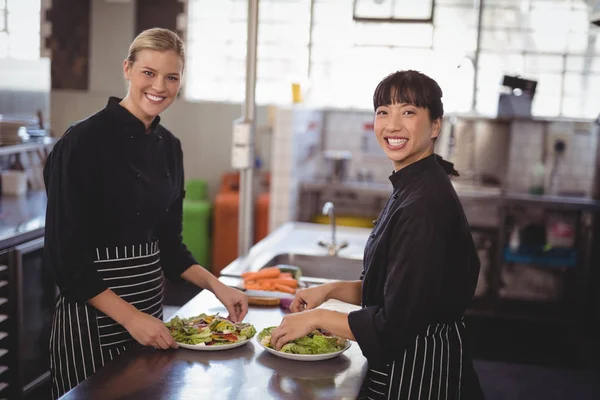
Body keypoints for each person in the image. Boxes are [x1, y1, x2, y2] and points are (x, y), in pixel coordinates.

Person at [44, 28, 248, 399]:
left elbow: (170, 246)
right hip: (91, 322)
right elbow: (64, 260)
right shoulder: (81, 142)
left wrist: (217, 285)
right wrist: (131, 318)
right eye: (148, 73)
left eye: (171, 77)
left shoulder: (170, 147)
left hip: (150, 319)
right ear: (127, 69)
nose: (160, 86)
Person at [269, 70, 485, 399]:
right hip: (410, 362)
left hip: (419, 373)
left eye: (408, 112)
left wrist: (316, 319)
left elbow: (392, 326)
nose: (392, 125)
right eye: (384, 112)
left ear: (436, 125)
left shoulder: (423, 205)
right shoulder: (414, 185)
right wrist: (331, 290)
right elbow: (398, 289)